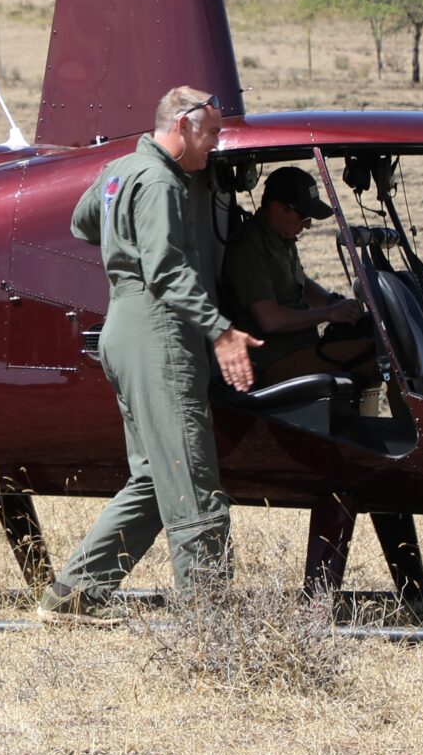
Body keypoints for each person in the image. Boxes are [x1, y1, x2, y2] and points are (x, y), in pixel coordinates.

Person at [40, 86, 262, 616]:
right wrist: (221, 330)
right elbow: (165, 270)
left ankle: (74, 595)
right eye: (210, 133)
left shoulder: (120, 170)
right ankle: (209, 618)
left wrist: (125, 236)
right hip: (159, 331)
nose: (214, 145)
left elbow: (81, 221)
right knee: (190, 474)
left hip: (122, 326)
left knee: (153, 477)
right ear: (183, 125)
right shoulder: (163, 180)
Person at [221, 166, 377, 388]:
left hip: (302, 348)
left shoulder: (280, 237)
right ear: (277, 208)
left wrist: (332, 301)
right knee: (379, 355)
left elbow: (299, 282)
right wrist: (329, 313)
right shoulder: (249, 249)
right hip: (275, 364)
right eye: (303, 215)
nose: (308, 225)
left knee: (376, 338)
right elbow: (270, 320)